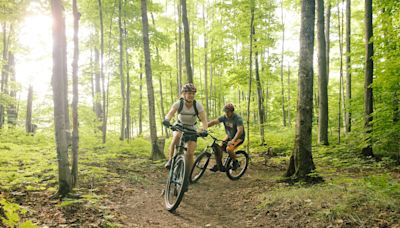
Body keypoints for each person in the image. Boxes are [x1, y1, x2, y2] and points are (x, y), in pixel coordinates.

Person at [162, 83, 208, 171]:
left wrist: (204, 129)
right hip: (179, 125)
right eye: (189, 93)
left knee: (190, 153)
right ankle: (170, 160)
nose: (191, 95)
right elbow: (171, 113)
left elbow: (204, 120)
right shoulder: (179, 103)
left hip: (192, 128)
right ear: (184, 94)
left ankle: (188, 174)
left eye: (193, 93)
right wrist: (167, 120)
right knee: (176, 137)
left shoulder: (198, 105)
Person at [207, 103, 245, 172]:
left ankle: (235, 162)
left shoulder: (238, 119)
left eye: (227, 112)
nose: (226, 113)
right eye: (225, 111)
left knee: (229, 149)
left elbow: (240, 131)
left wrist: (233, 140)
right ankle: (218, 165)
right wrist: (204, 126)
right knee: (220, 148)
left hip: (239, 138)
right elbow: (214, 122)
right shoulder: (224, 117)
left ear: (232, 112)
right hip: (229, 136)